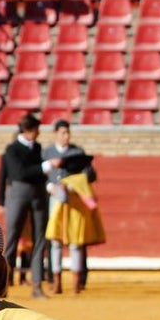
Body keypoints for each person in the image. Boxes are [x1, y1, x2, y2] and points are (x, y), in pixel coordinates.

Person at [42, 120, 105, 295]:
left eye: (68, 133)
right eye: (63, 133)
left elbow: (90, 175)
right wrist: (49, 186)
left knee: (76, 242)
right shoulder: (47, 152)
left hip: (74, 200)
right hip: (54, 198)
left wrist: (75, 183)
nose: (66, 136)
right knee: (55, 241)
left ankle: (77, 282)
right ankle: (56, 282)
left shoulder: (78, 152)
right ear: (55, 133)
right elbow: (39, 176)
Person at [0, 113, 54, 299]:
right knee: (12, 239)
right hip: (18, 194)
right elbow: (17, 173)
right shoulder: (12, 149)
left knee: (39, 239)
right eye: (37, 130)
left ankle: (37, 285)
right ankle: (4, 284)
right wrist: (44, 168)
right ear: (28, 131)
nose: (38, 134)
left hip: (37, 194)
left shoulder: (36, 147)